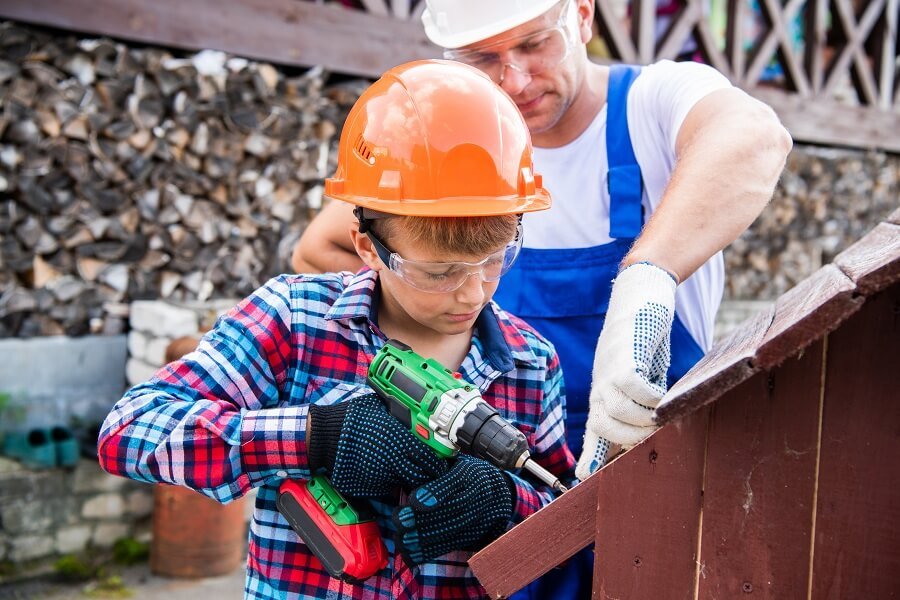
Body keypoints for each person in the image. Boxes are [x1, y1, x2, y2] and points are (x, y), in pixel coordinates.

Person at [98, 60, 575, 600]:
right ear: (368, 246)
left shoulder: (531, 362)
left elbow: (566, 513)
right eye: (437, 273)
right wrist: (313, 437)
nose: (472, 293)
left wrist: (506, 502)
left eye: (495, 259)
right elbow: (130, 431)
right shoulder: (294, 322)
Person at [293, 0, 792, 472]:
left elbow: (755, 136)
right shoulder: (456, 141)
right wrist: (425, 319)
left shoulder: (653, 104)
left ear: (581, 16)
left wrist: (646, 279)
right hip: (495, 487)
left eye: (533, 44)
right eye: (482, 58)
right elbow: (325, 247)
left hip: (655, 467)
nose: (513, 79)